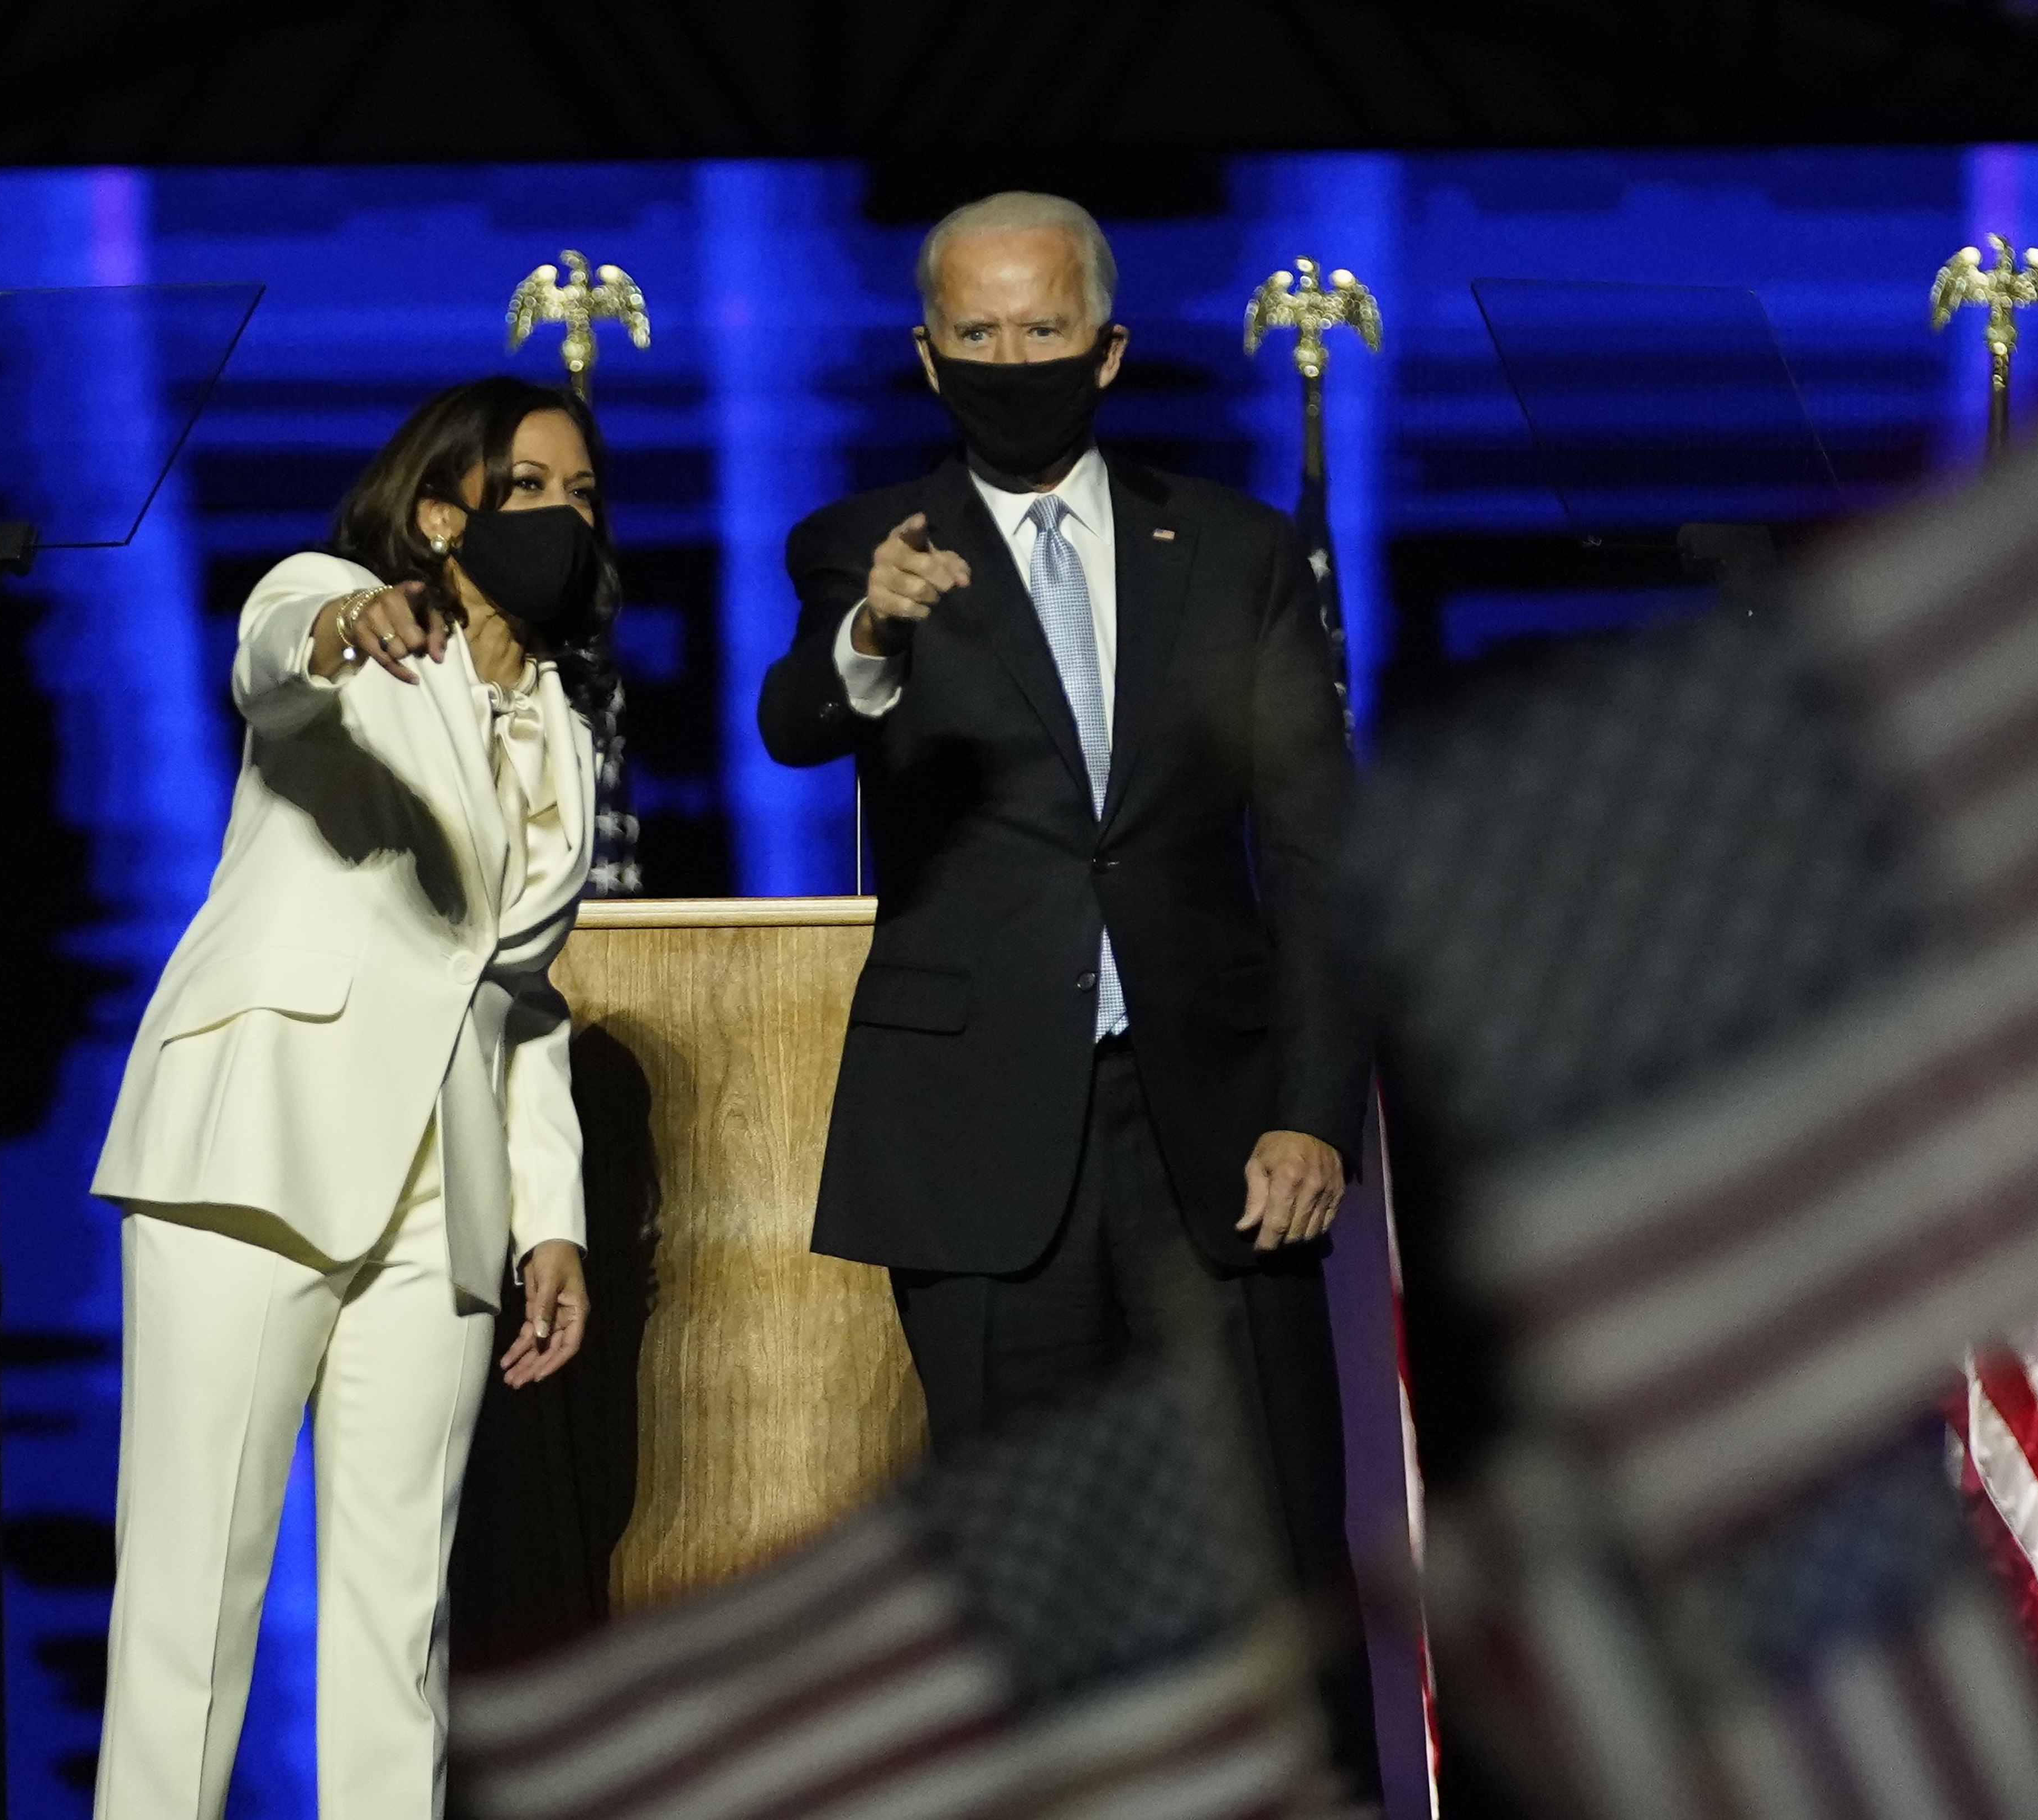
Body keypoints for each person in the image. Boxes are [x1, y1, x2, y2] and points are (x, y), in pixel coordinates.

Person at [758, 191, 1381, 1798]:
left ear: (1107, 351)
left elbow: (1320, 854)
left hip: (1213, 1138)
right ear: (926, 354)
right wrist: (874, 629)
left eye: (1042, 329)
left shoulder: (1236, 551)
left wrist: (1313, 1114)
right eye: (976, 332)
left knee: (1271, 1560)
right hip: (979, 1134)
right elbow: (797, 720)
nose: (1010, 357)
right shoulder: (867, 547)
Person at [88, 377, 615, 1819]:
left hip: (446, 1193)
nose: (562, 516)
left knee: (403, 1616)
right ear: (442, 513)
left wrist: (551, 1218)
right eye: (527, 489)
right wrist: (344, 628)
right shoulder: (334, 601)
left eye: (581, 494)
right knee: (194, 1592)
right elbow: (276, 659)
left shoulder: (562, 730)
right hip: (258, 1147)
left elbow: (517, 996)